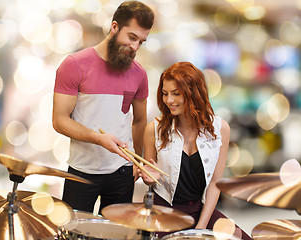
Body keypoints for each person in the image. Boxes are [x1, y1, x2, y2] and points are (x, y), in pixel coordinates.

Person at [52, 1, 154, 213]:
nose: (135, 47)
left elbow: (139, 121)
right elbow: (59, 120)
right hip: (81, 171)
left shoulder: (139, 74)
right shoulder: (73, 65)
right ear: (114, 27)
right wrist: (98, 138)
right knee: (73, 234)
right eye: (132, 37)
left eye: (141, 42)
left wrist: (137, 159)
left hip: (122, 173)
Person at [140, 62, 251, 240]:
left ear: (194, 93)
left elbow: (215, 183)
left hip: (201, 211)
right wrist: (150, 179)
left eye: (176, 94)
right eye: (165, 93)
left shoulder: (220, 128)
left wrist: (200, 228)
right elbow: (150, 179)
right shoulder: (154, 129)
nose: (169, 100)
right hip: (164, 212)